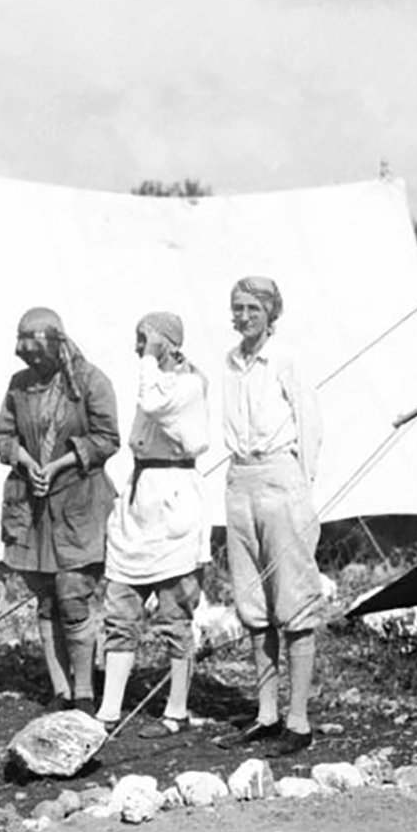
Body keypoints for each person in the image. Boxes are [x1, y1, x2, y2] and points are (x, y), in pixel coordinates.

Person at [217, 277, 325, 757]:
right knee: (253, 603)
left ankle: (298, 721)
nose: (243, 317)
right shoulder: (230, 361)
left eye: (252, 309)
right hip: (240, 480)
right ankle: (266, 714)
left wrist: (299, 487)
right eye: (237, 308)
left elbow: (310, 422)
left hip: (282, 479)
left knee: (293, 601)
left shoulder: (287, 358)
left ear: (270, 313)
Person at [0, 307, 120, 714]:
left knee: (73, 594)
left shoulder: (90, 382)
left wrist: (61, 463)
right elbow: (3, 437)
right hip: (32, 508)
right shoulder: (19, 385)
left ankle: (84, 689)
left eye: (39, 356)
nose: (33, 363)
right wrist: (27, 463)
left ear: (57, 344)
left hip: (77, 502)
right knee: (46, 599)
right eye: (27, 357)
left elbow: (107, 438)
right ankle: (59, 687)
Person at [94, 311, 210, 736]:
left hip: (174, 500)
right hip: (140, 501)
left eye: (144, 340)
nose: (137, 348)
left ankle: (176, 711)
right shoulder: (156, 380)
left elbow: (154, 403)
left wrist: (152, 356)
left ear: (166, 342)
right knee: (121, 606)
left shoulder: (189, 384)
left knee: (174, 611)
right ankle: (109, 709)